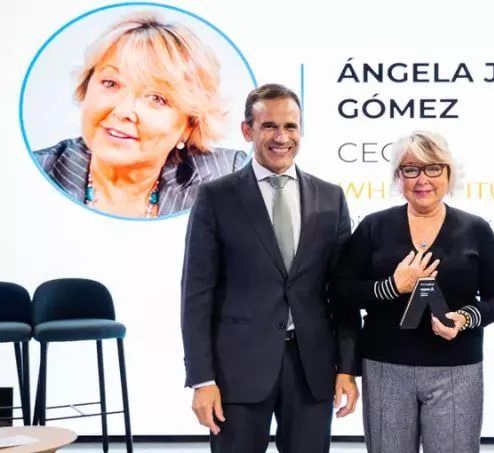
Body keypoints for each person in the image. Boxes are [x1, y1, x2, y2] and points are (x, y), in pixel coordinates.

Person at [180, 83, 361, 453]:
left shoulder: (331, 198)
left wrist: (347, 367)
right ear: (247, 131)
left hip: (311, 369)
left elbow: (342, 294)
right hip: (236, 371)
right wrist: (201, 379)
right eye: (270, 126)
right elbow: (196, 295)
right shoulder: (216, 197)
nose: (282, 137)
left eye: (290, 126)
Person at [331, 130, 494, 453]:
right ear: (398, 176)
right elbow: (341, 292)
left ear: (448, 173)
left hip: (457, 370)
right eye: (411, 169)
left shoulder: (475, 229)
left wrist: (465, 318)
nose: (422, 179)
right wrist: (391, 287)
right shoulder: (374, 227)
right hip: (385, 368)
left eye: (433, 168)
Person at [32, 12, 247, 219]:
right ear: (85, 88)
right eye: (111, 83)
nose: (123, 111)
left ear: (189, 125)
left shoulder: (228, 175)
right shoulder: (34, 173)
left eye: (156, 98)